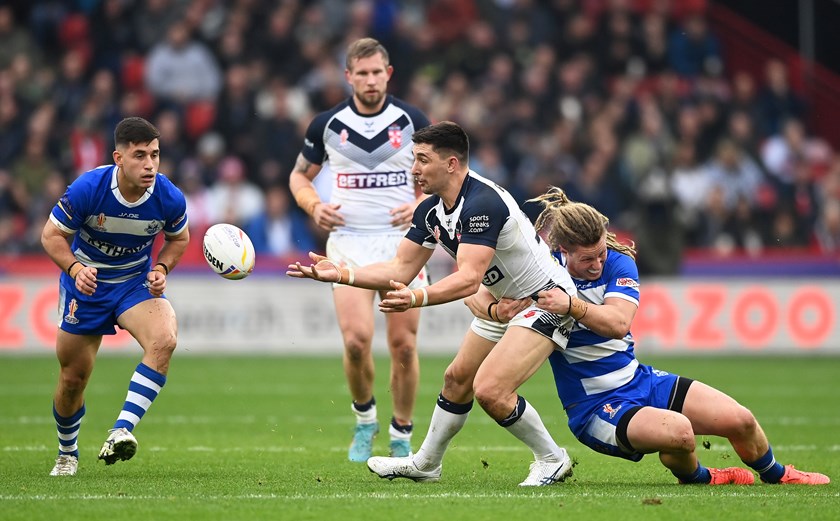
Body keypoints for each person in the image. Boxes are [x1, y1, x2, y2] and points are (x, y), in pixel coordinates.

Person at [467, 187, 830, 486]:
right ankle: (704, 478)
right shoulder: (541, 271)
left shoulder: (619, 263)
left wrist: (569, 305)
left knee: (742, 420)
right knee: (681, 434)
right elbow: (476, 292)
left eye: (601, 254)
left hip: (640, 379)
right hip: (595, 407)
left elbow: (618, 323)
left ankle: (779, 476)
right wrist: (497, 311)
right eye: (587, 259)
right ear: (563, 252)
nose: (597, 264)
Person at [288, 121, 577, 486]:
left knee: (490, 390)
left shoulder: (481, 203)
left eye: (422, 161)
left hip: (548, 300)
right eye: (414, 160)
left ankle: (552, 459)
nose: (414, 170)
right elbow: (399, 268)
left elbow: (469, 278)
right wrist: (343, 273)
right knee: (457, 379)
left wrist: (415, 298)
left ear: (452, 164)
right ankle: (426, 463)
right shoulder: (430, 211)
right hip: (508, 302)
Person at [288, 37, 431, 462]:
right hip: (348, 241)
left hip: (403, 243)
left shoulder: (412, 120)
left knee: (403, 345)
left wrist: (420, 202)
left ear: (389, 74)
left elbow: (444, 173)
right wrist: (314, 206)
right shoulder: (327, 125)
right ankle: (365, 418)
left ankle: (402, 431)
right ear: (348, 77)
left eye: (377, 72)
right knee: (355, 341)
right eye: (362, 73)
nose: (370, 80)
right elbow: (299, 178)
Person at [41, 116, 189, 476]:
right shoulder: (88, 188)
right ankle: (67, 451)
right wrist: (76, 270)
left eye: (155, 154)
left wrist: (162, 269)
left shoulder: (168, 197)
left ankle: (122, 429)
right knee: (73, 378)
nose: (150, 164)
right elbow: (50, 236)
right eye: (140, 155)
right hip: (86, 287)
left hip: (133, 285)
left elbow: (179, 239)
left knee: (164, 339)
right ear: (118, 158)